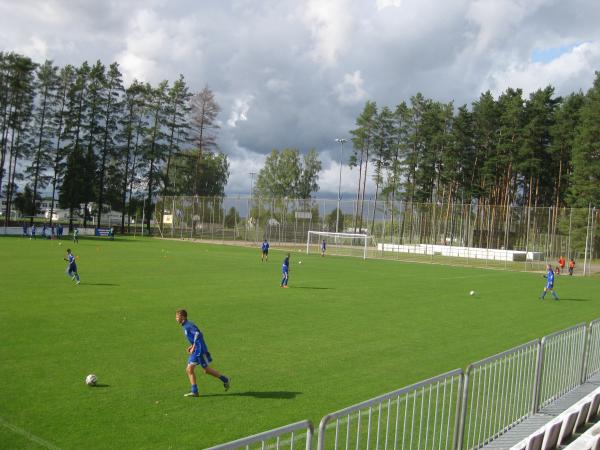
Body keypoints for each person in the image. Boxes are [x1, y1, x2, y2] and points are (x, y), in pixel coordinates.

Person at [175, 309, 230, 397]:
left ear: (183, 317)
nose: (176, 318)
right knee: (189, 369)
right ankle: (195, 391)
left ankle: (225, 379)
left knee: (206, 370)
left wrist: (193, 346)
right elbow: (197, 335)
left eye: (177, 317)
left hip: (200, 350)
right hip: (196, 350)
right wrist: (192, 345)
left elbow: (198, 334)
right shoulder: (185, 325)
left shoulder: (188, 325)